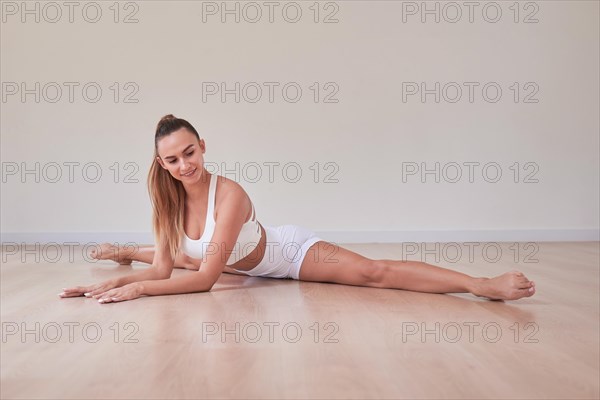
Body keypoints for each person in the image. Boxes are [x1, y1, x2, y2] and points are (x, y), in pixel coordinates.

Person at [59, 115, 536, 303]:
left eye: (190, 152)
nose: (184, 165)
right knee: (187, 256)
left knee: (372, 272)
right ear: (160, 164)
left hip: (285, 255)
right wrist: (111, 282)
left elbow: (204, 280)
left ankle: (478, 284)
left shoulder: (231, 195)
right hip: (242, 268)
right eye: (172, 159)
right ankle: (125, 251)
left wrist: (137, 290)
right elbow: (166, 267)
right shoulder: (165, 200)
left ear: (203, 147)